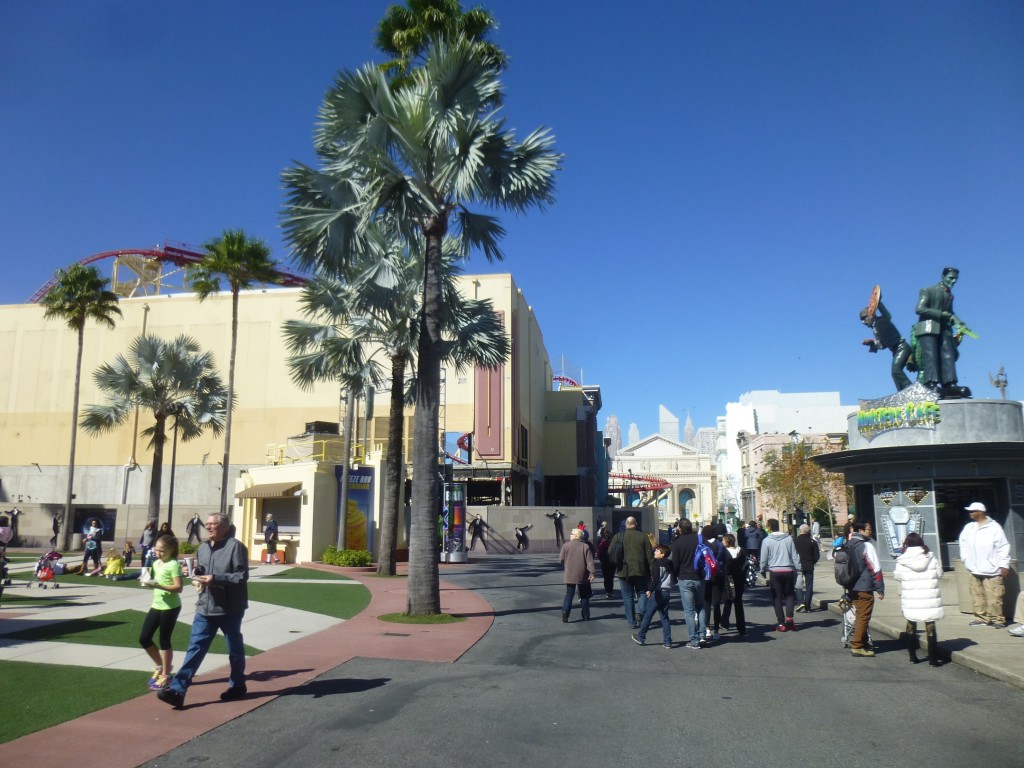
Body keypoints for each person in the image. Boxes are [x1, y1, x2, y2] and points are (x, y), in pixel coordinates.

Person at [158, 513, 249, 708]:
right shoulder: (202, 548)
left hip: (229, 609)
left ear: (224, 527)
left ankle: (238, 685)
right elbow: (202, 570)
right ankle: (177, 690)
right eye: (207, 524)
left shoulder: (236, 547)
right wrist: (193, 573)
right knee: (195, 648)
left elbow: (241, 576)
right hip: (204, 607)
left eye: (213, 524)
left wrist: (215, 578)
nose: (208, 527)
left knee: (234, 649)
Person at [913, 266, 971, 398]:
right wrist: (940, 314)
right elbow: (919, 309)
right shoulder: (927, 290)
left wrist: (960, 324)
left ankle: (949, 385)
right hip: (928, 328)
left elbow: (950, 313)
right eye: (951, 278)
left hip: (944, 329)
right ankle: (931, 384)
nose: (954, 281)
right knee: (931, 356)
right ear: (943, 277)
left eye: (956, 278)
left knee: (948, 355)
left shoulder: (949, 295)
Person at [139, 534, 183, 690]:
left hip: (170, 607)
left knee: (165, 640)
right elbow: (156, 581)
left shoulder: (174, 565)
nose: (158, 553)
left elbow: (179, 588)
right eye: (156, 550)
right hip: (156, 605)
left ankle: (166, 675)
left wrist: (159, 586)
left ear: (171, 550)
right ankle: (160, 666)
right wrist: (148, 582)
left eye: (162, 551)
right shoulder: (156, 563)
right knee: (144, 638)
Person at [894, 532, 944, 666]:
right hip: (929, 597)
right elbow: (939, 574)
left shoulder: (902, 560)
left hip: (911, 598)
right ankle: (933, 660)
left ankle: (912, 657)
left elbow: (897, 576)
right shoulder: (931, 557)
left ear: (907, 544)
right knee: (930, 626)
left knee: (911, 624)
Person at [958, 502, 1010, 629]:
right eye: (970, 511)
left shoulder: (994, 527)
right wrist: (965, 559)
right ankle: (981, 618)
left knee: (994, 596)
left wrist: (1004, 565)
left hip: (991, 569)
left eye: (973, 511)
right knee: (977, 595)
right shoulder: (969, 527)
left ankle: (998, 619)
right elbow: (963, 544)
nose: (970, 513)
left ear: (981, 512)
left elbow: (1003, 547)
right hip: (974, 569)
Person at [847, 520, 885, 657]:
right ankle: (857, 646)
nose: (871, 531)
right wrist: (880, 588)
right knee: (863, 616)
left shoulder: (849, 544)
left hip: (851, 586)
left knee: (860, 614)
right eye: (869, 528)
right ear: (861, 531)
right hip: (864, 586)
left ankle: (862, 643)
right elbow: (876, 568)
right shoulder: (866, 546)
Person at [860, 298, 914, 391]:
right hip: (895, 351)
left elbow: (887, 315)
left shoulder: (882, 321)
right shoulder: (875, 329)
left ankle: (911, 390)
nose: (863, 322)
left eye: (864, 317)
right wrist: (872, 343)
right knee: (894, 374)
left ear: (871, 314)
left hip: (902, 347)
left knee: (896, 370)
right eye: (862, 320)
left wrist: (878, 303)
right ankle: (901, 393)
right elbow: (882, 345)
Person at [670, 519, 706, 649]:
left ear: (680, 528)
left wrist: (673, 578)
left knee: (689, 610)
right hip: (699, 577)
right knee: (701, 607)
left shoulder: (677, 543)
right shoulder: (700, 539)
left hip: (685, 578)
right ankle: (703, 635)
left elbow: (675, 563)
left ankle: (694, 640)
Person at [613, 516, 653, 629]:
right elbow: (649, 555)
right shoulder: (643, 536)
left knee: (627, 596)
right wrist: (653, 571)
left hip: (623, 571)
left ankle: (631, 621)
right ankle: (640, 612)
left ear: (626, 524)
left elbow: (611, 552)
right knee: (642, 592)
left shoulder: (618, 536)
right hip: (641, 570)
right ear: (636, 524)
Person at [760, 518, 800, 632]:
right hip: (788, 570)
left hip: (775, 571)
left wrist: (762, 569)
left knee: (777, 597)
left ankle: (781, 622)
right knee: (789, 595)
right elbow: (795, 555)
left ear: (769, 527)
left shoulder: (767, 540)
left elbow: (763, 558)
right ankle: (789, 619)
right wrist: (798, 568)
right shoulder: (788, 539)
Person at [632, 544, 675, 647]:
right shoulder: (670, 564)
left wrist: (649, 590)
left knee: (648, 615)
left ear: (662, 554)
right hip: (667, 591)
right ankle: (667, 641)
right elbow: (674, 577)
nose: (655, 552)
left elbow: (655, 579)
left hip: (658, 591)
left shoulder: (657, 564)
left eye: (657, 551)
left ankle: (641, 637)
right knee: (665, 617)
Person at [559, 528, 595, 622]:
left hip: (569, 573)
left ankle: (565, 611)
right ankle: (586, 616)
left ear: (576, 536)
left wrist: (567, 564)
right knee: (584, 595)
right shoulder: (585, 546)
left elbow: (561, 559)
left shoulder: (566, 546)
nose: (570, 535)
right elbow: (590, 562)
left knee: (569, 594)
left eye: (572, 534)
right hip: (582, 574)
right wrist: (592, 573)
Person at [701, 525, 728, 642]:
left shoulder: (702, 545)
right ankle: (716, 630)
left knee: (706, 602)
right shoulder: (720, 544)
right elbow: (727, 559)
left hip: (706, 576)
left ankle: (707, 629)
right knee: (716, 604)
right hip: (718, 575)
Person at [719, 533, 746, 636]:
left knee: (728, 600)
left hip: (728, 578)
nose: (722, 542)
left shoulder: (724, 552)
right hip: (739, 578)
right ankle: (741, 626)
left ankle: (724, 622)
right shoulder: (741, 551)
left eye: (723, 540)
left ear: (727, 541)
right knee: (738, 602)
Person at [794, 523, 820, 612]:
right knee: (809, 586)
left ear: (800, 531)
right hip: (809, 565)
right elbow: (817, 555)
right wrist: (812, 562)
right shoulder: (812, 542)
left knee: (798, 585)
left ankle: (800, 602)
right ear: (808, 531)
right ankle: (808, 606)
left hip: (798, 565)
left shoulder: (794, 541)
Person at [596, 527, 614, 598]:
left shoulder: (602, 544)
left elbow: (599, 554)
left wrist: (602, 560)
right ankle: (610, 591)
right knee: (611, 578)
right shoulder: (612, 544)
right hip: (612, 563)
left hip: (604, 562)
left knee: (606, 578)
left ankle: (607, 592)